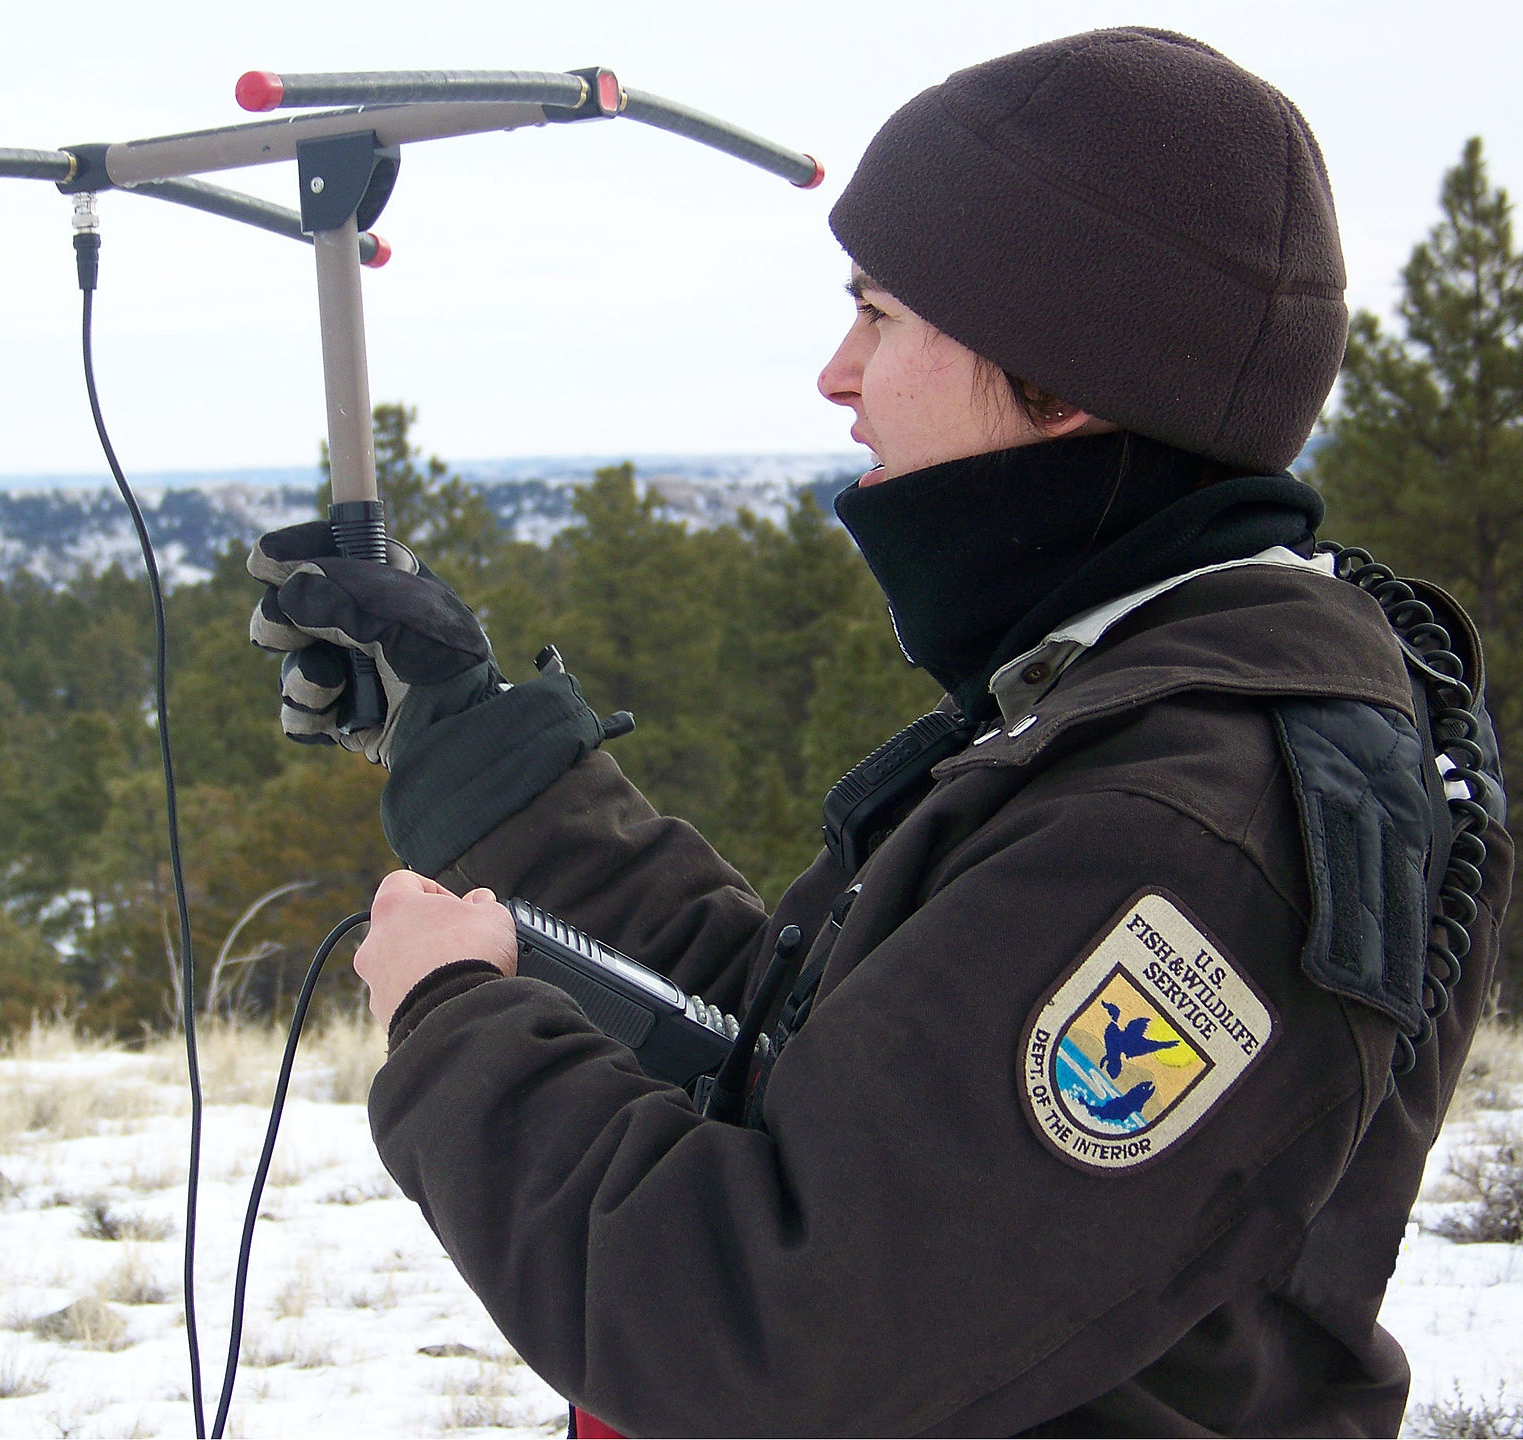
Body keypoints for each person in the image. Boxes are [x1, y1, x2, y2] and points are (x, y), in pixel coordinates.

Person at [246, 28, 1513, 1436]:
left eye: (883, 314)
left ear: (1059, 366)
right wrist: (474, 742)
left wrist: (455, 1019)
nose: (836, 374)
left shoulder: (1194, 828)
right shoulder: (1144, 692)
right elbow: (820, 1061)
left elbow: (773, 1334)